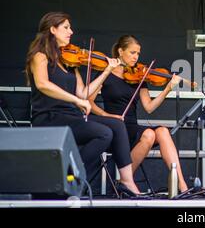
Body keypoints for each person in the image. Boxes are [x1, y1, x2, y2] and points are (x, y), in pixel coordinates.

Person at [25, 12, 142, 196]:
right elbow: (42, 84)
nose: (71, 32)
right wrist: (76, 100)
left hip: (72, 117)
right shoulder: (39, 56)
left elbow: (83, 93)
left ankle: (127, 182)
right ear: (52, 29)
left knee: (117, 125)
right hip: (50, 118)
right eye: (66, 27)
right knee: (104, 134)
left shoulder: (70, 63)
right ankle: (69, 174)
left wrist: (106, 71)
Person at [88, 35, 188, 192]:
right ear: (121, 51)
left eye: (138, 53)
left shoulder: (138, 76)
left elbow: (149, 107)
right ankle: (125, 182)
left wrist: (168, 88)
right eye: (132, 52)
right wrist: (106, 115)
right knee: (148, 134)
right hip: (113, 127)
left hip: (131, 127)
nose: (136, 57)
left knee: (162, 131)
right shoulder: (106, 72)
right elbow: (89, 101)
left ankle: (182, 185)